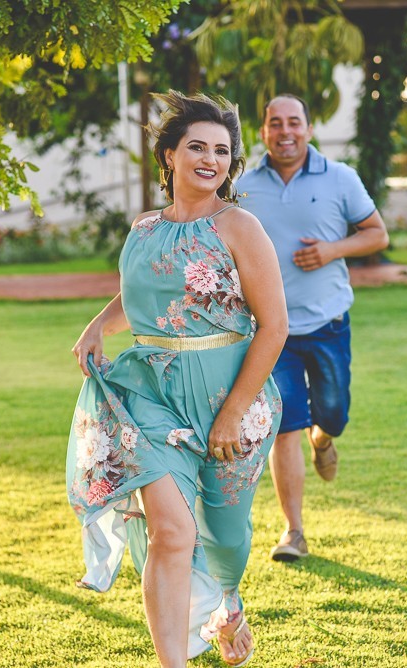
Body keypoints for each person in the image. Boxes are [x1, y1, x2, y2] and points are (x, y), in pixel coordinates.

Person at [67, 90, 288, 667]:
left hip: (230, 399)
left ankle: (227, 602)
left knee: (223, 536)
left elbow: (275, 325)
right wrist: (99, 325)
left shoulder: (239, 227)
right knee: (171, 531)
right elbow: (146, 292)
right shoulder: (143, 230)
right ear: (169, 154)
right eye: (197, 146)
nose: (210, 159)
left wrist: (234, 412)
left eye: (222, 150)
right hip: (151, 396)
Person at [236, 94, 389, 563]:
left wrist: (330, 250)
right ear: (263, 130)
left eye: (294, 123)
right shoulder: (241, 184)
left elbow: (376, 234)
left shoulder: (340, 178)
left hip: (326, 323)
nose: (285, 131)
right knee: (283, 427)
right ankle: (293, 532)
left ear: (308, 128)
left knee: (334, 413)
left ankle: (323, 438)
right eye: (275, 123)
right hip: (269, 332)